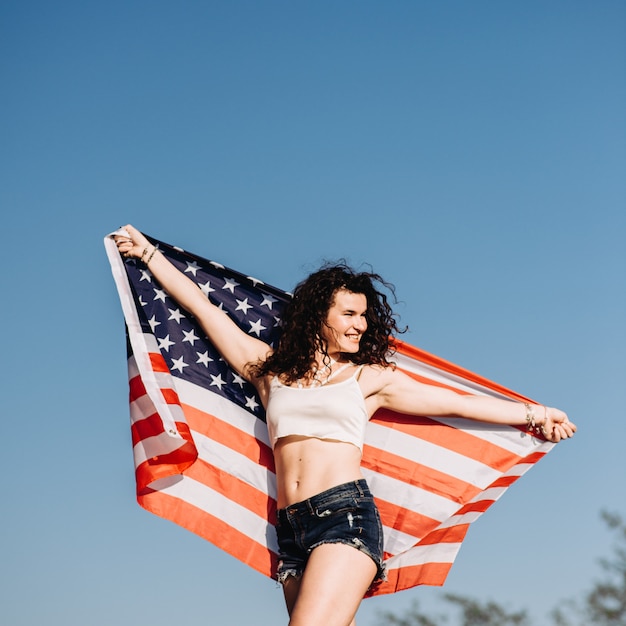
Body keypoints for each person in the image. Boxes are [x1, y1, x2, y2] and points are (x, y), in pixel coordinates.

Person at [115, 225, 576, 626]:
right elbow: (204, 309)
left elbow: (455, 403)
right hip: (292, 530)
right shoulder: (269, 371)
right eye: (349, 314)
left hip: (345, 518)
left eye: (364, 315)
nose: (361, 325)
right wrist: (148, 254)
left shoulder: (370, 378)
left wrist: (536, 414)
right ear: (319, 317)